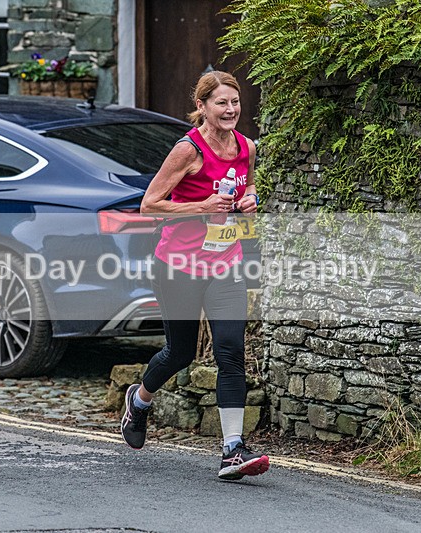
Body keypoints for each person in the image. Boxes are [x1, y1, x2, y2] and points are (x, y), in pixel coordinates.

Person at [120, 71, 269, 480]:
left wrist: (250, 199)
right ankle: (140, 399)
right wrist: (202, 205)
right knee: (180, 352)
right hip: (179, 265)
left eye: (235, 102)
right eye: (221, 103)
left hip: (226, 262)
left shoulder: (246, 147)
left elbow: (247, 186)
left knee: (229, 352)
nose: (231, 110)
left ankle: (232, 450)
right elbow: (150, 205)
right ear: (202, 107)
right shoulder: (187, 150)